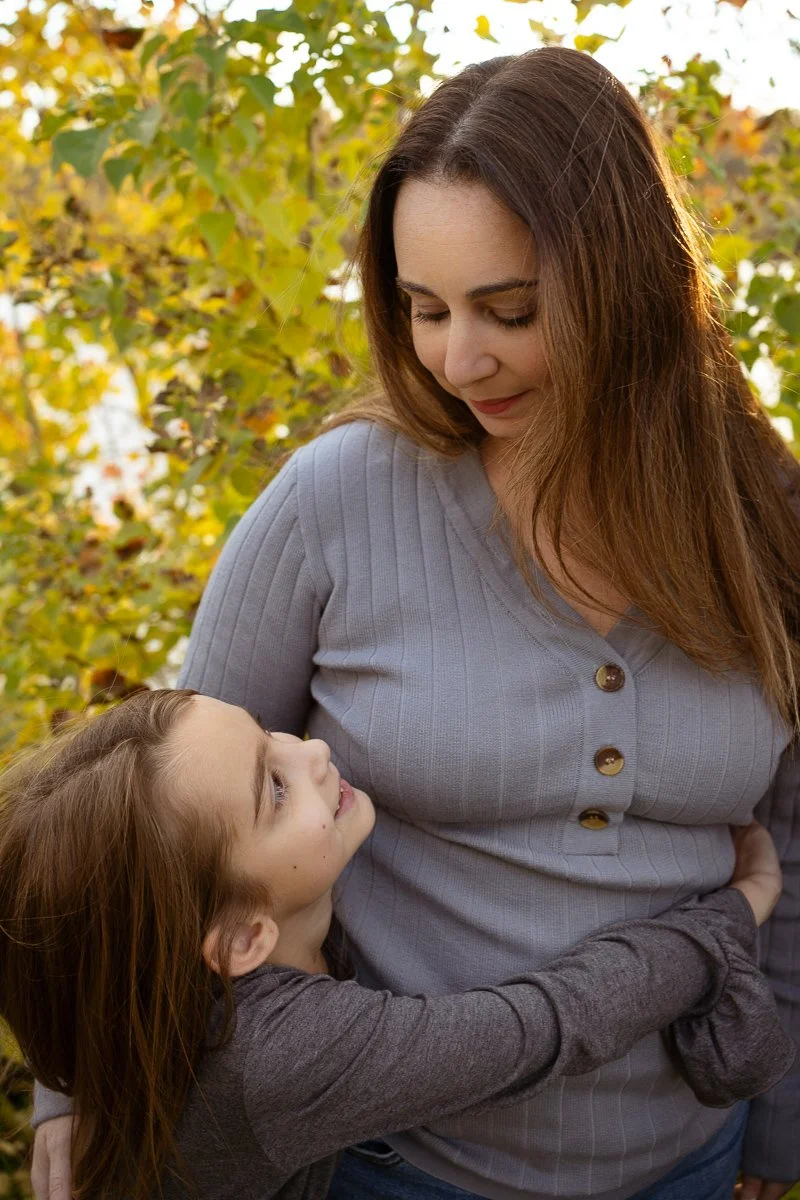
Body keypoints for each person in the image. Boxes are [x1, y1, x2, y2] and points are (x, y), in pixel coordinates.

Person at [32, 44, 800, 1200]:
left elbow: (792, 844)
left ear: (629, 282)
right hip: (396, 1168)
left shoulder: (764, 511)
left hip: (687, 1160)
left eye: (509, 310)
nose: (456, 359)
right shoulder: (334, 503)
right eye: (422, 309)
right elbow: (149, 816)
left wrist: (778, 1130)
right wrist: (77, 1090)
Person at [0, 688, 791, 1200]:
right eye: (273, 789)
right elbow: (544, 1027)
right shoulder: (283, 1059)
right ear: (244, 936)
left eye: (267, 733)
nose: (308, 750)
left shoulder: (172, 967)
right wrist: (729, 915)